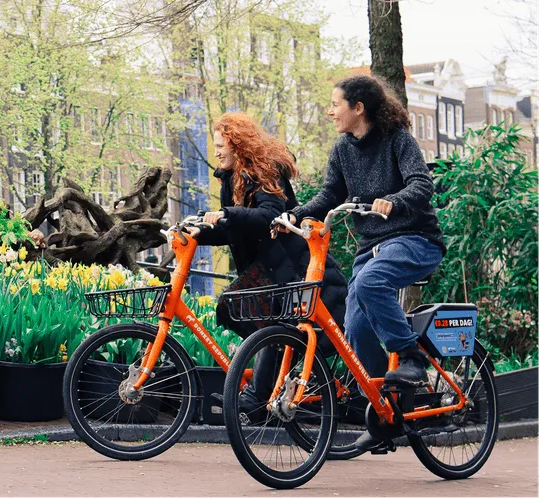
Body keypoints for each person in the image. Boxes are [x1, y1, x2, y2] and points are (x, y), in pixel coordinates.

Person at [283, 75, 445, 451]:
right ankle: (384, 412)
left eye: (335, 104)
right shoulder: (343, 148)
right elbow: (330, 194)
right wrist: (296, 214)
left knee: (371, 284)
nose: (329, 111)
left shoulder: (398, 140)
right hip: (372, 247)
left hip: (415, 239)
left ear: (358, 109)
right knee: (355, 327)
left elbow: (422, 184)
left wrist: (396, 200)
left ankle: (412, 358)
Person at [188, 112, 348, 411]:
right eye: (215, 145)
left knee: (261, 323)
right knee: (242, 314)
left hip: (289, 266)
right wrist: (200, 233)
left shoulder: (265, 173)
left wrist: (227, 215)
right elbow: (237, 230)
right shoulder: (232, 179)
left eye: (221, 144)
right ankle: (265, 390)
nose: (217, 151)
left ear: (238, 144)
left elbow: (267, 217)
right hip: (266, 268)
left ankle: (259, 397)